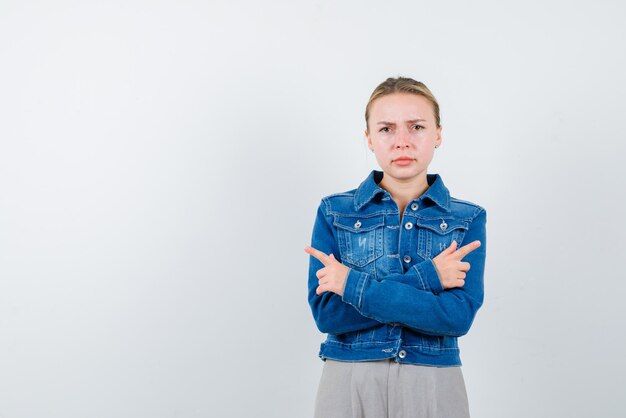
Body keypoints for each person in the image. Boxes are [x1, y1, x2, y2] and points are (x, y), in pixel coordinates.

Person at [304, 76, 487, 418]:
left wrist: (350, 285)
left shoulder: (467, 219)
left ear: (438, 134)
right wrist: (428, 278)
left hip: (433, 378)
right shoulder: (334, 212)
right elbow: (328, 315)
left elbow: (456, 317)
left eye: (416, 126)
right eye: (387, 129)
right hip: (348, 377)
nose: (402, 142)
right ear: (369, 138)